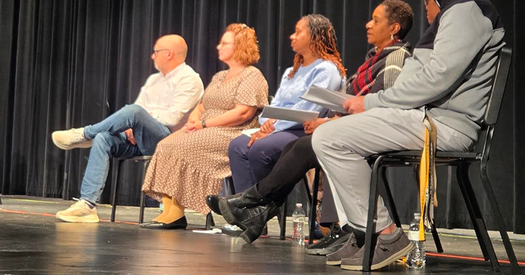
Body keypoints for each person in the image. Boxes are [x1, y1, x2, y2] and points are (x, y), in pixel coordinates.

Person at [313, 0, 504, 270]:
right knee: (331, 134)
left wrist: (368, 103)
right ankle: (367, 234)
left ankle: (384, 235)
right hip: (429, 118)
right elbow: (425, 76)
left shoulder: (468, 10)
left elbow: (434, 80)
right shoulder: (454, 10)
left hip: (443, 125)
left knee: (330, 137)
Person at [212, 0, 414, 245]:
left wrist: (327, 122)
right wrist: (327, 120)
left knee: (310, 144)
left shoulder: (395, 59)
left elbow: (383, 103)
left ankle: (254, 204)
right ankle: (258, 209)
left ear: (394, 28)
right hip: (346, 127)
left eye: (376, 20)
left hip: (371, 130)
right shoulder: (372, 58)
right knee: (286, 145)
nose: (368, 24)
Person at [51, 34, 203, 223]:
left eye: (156, 52)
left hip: (170, 141)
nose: (152, 56)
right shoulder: (154, 80)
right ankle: (87, 206)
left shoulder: (189, 80)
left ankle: (85, 133)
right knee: (103, 138)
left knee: (134, 112)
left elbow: (172, 118)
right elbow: (135, 113)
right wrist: (133, 123)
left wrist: (140, 118)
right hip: (139, 140)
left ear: (170, 54)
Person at [140, 24, 268, 229]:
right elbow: (202, 105)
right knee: (166, 144)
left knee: (182, 147)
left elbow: (243, 113)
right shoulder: (219, 77)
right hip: (206, 127)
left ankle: (176, 213)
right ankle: (171, 212)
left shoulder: (252, 75)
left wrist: (205, 124)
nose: (219, 47)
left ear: (240, 46)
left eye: (224, 43)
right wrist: (193, 122)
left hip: (233, 131)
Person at [225, 15, 345, 194]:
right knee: (237, 146)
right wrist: (266, 124)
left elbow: (309, 110)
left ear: (314, 37)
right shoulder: (291, 71)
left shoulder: (327, 69)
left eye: (298, 32)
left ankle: (262, 204)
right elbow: (276, 104)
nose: (292, 36)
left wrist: (273, 126)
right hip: (278, 128)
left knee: (261, 148)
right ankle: (246, 210)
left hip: (305, 130)